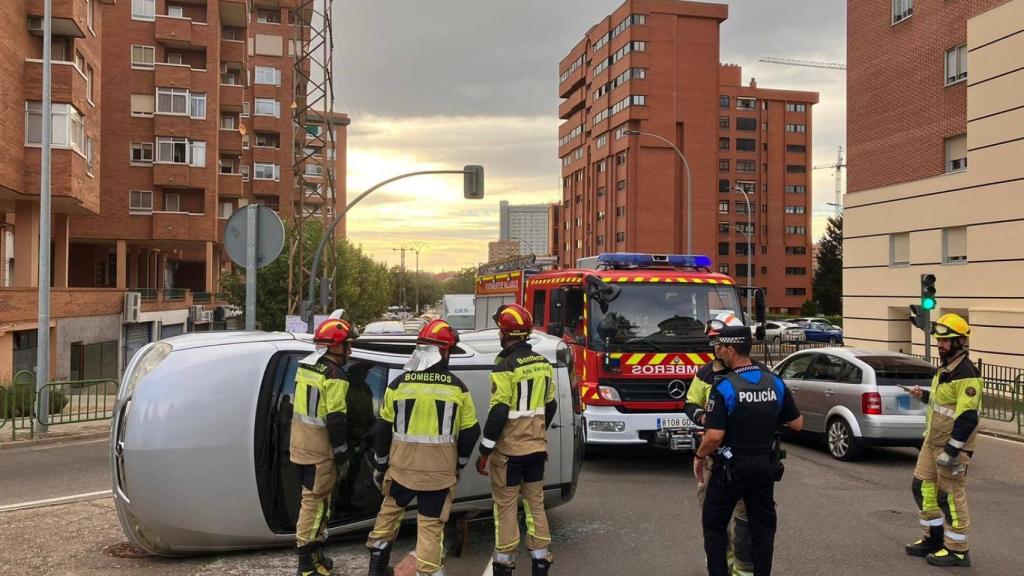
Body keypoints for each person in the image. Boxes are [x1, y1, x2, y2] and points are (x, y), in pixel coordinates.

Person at [365, 319, 481, 576]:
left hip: (401, 471)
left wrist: (381, 464)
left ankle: (377, 571)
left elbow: (382, 429)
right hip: (438, 475)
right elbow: (472, 432)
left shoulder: (398, 385)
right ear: (446, 351)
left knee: (386, 521)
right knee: (430, 531)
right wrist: (459, 463)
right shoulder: (458, 388)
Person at [695, 325, 803, 576]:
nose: (719, 352)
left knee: (714, 525)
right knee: (763, 529)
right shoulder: (774, 382)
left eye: (723, 348)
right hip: (765, 466)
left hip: (730, 468)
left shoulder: (725, 386)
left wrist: (699, 456)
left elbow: (714, 436)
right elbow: (797, 423)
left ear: (732, 349)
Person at [476, 304, 558, 576]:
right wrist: (536, 430)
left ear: (503, 332)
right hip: (536, 450)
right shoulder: (543, 365)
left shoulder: (505, 367)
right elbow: (551, 404)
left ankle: (504, 565)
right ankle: (540, 561)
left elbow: (498, 411)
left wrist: (485, 450)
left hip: (509, 454)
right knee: (535, 505)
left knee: (506, 508)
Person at [905, 313, 982, 568]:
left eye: (946, 341)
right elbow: (945, 405)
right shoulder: (947, 368)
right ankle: (934, 539)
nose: (941, 345)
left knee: (949, 496)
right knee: (922, 487)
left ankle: (958, 550)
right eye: (939, 340)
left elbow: (967, 417)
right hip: (932, 441)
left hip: (952, 446)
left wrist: (951, 451)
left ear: (960, 342)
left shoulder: (966, 372)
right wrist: (924, 395)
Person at [683, 313, 754, 576]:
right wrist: (703, 416)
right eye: (712, 341)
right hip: (715, 457)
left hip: (743, 457)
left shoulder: (754, 372)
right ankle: (720, 559)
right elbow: (689, 403)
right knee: (713, 514)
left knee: (744, 515)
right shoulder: (705, 373)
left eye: (720, 341)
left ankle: (743, 565)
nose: (715, 347)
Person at [291, 318, 358, 576]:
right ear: (335, 347)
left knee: (316, 500)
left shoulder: (306, 366)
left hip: (300, 443)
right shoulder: (336, 375)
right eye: (347, 345)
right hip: (320, 449)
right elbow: (335, 418)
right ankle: (306, 565)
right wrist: (342, 453)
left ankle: (316, 554)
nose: (350, 351)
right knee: (315, 503)